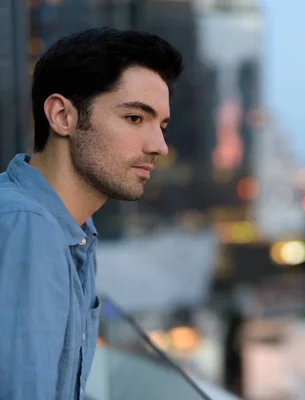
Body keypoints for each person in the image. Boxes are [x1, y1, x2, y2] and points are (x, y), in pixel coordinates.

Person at [0, 27, 183, 399]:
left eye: (161, 126)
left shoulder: (73, 230)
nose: (159, 146)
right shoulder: (28, 226)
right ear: (61, 116)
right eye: (134, 118)